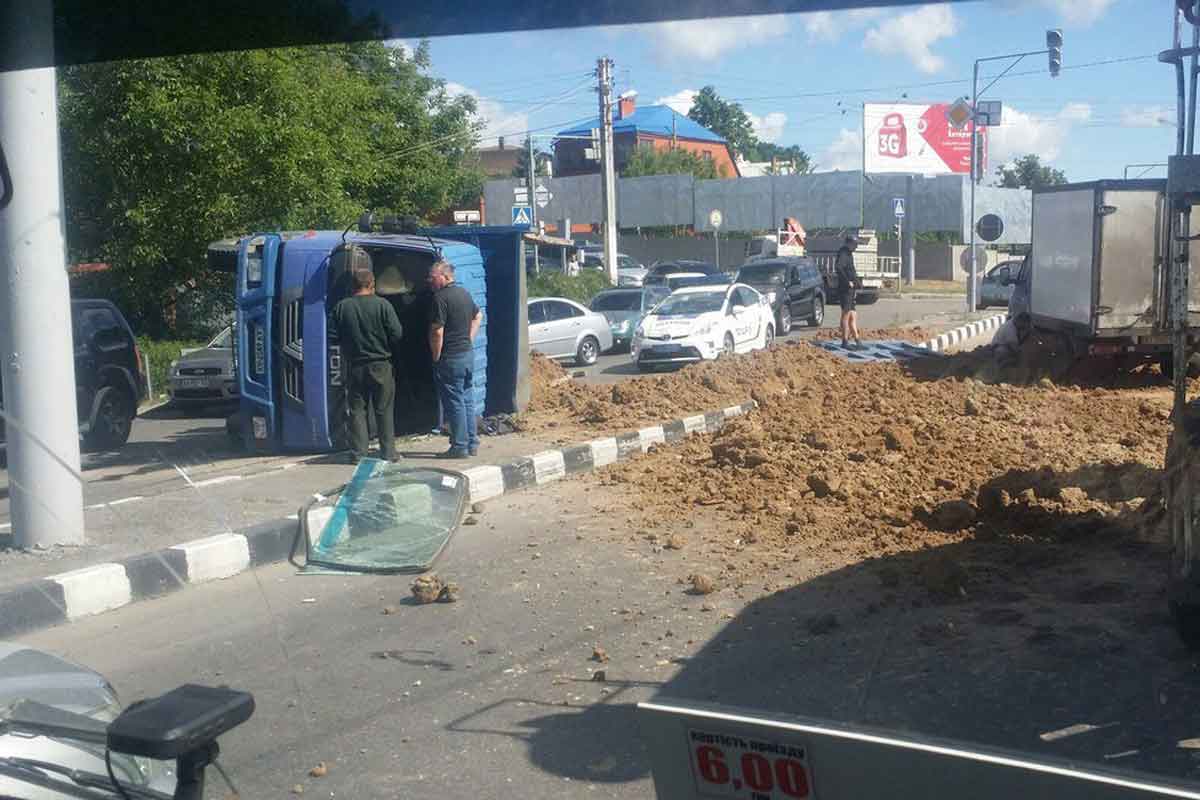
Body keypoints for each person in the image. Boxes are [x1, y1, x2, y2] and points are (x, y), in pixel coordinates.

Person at [332, 260, 404, 462]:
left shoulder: (341, 307)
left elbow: (332, 336)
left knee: (356, 410)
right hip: (381, 365)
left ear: (353, 285)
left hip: (354, 366)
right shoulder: (383, 305)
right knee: (383, 409)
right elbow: (397, 333)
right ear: (372, 284)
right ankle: (388, 452)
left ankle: (358, 453)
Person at [428, 259, 482, 458]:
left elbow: (437, 331)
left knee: (455, 402)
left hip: (450, 357)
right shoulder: (464, 294)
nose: (430, 281)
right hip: (466, 355)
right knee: (467, 399)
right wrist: (469, 338)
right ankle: (472, 442)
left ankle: (459, 446)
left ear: (445, 276)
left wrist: (436, 356)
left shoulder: (440, 298)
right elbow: (478, 316)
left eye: (433, 277)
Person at [835, 235, 862, 349]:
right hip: (845, 289)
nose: (856, 247)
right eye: (855, 245)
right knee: (846, 314)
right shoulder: (843, 253)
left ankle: (857, 340)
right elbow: (839, 268)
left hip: (851, 289)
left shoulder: (849, 254)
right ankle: (844, 341)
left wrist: (857, 282)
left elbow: (851, 270)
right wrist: (847, 282)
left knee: (853, 315)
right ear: (849, 243)